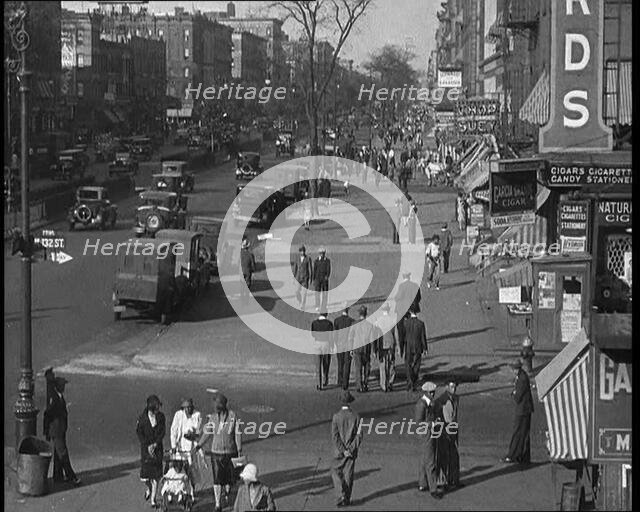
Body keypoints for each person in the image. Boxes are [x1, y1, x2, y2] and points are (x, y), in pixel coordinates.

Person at [195, 394, 243, 512]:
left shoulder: (233, 416)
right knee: (217, 479)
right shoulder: (212, 418)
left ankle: (227, 491)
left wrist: (239, 448)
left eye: (218, 405)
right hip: (216, 452)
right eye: (215, 405)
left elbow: (237, 433)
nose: (216, 407)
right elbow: (207, 432)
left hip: (231, 452)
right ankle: (217, 504)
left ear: (223, 405)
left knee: (229, 479)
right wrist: (199, 444)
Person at [44, 376, 81, 486]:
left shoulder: (58, 396)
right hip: (57, 430)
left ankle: (58, 476)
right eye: (62, 385)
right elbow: (48, 415)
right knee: (63, 453)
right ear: (58, 386)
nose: (64, 387)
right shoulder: (55, 399)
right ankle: (71, 477)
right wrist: (47, 431)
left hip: (59, 429)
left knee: (58, 453)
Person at [331, 391, 363, 507]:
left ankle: (340, 495)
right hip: (351, 451)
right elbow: (359, 435)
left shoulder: (336, 417)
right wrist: (351, 448)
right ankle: (347, 498)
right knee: (349, 474)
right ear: (350, 402)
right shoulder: (356, 416)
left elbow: (335, 436)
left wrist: (343, 449)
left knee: (336, 471)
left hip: (339, 452)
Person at [170, 398, 206, 493]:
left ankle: (192, 490)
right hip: (180, 447)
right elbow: (173, 430)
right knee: (179, 469)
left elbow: (198, 431)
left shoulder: (197, 415)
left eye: (189, 408)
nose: (187, 410)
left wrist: (193, 434)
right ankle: (180, 489)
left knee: (191, 469)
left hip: (191, 447)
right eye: (185, 408)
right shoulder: (178, 415)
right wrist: (173, 445)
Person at [136, 394, 166, 507]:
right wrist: (148, 445)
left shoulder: (161, 417)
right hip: (146, 451)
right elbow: (139, 433)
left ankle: (153, 499)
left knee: (156, 476)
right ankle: (149, 489)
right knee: (145, 477)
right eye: (157, 408)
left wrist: (155, 444)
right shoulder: (142, 419)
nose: (158, 410)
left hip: (157, 450)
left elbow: (162, 432)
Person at [415, 382, 443, 499]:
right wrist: (432, 424)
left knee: (424, 459)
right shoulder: (421, 405)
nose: (433, 394)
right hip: (426, 434)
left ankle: (422, 483)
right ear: (426, 392)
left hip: (428, 433)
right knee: (431, 461)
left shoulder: (429, 402)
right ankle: (433, 489)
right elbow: (419, 423)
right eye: (431, 392)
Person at [503, 359, 534, 464]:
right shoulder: (522, 376)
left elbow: (518, 397)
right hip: (525, 408)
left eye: (514, 369)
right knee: (523, 433)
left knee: (518, 432)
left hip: (523, 409)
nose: (513, 371)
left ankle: (513, 454)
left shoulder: (522, 379)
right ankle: (522, 455)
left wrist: (515, 392)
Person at [436, 380, 462, 490]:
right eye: (451, 386)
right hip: (445, 431)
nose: (454, 388)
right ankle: (442, 481)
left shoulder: (455, 398)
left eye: (455, 386)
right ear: (447, 387)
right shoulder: (442, 400)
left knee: (454, 456)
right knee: (444, 458)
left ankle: (453, 480)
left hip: (452, 431)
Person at [348, 305, 378, 393]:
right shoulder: (370, 325)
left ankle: (359, 385)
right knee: (367, 367)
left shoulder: (354, 324)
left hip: (357, 349)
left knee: (358, 368)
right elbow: (372, 339)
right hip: (366, 349)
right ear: (366, 314)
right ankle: (365, 383)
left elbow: (351, 337)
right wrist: (373, 350)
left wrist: (350, 349)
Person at [394, 272, 422, 355]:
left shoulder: (401, 286)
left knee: (400, 327)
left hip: (402, 309)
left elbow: (397, 297)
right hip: (412, 308)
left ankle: (401, 346)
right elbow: (419, 297)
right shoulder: (415, 285)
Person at [403, 308, 428, 392]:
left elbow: (403, 336)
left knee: (408, 365)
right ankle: (414, 381)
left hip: (408, 347)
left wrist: (402, 347)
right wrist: (425, 348)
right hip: (418, 346)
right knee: (416, 365)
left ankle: (410, 382)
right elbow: (423, 337)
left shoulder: (406, 323)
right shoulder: (421, 323)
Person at [375, 303, 398, 392]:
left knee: (382, 365)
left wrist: (375, 347)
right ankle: (390, 383)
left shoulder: (378, 321)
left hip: (382, 345)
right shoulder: (392, 320)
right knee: (391, 364)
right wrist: (398, 345)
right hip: (391, 344)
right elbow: (396, 334)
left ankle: (383, 384)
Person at [334, 304, 355, 389]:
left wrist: (335, 344)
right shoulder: (351, 321)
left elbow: (335, 334)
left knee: (340, 363)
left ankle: (340, 380)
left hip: (339, 344)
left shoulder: (337, 321)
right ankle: (345, 383)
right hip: (348, 345)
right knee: (347, 364)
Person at [311, 311, 334, 390]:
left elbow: (313, 334)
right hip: (326, 343)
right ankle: (325, 379)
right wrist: (332, 345)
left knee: (318, 365)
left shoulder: (314, 323)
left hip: (317, 343)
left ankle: (319, 384)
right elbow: (331, 336)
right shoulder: (329, 323)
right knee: (326, 363)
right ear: (326, 314)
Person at [293, 245, 313, 309]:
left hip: (305, 278)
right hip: (298, 278)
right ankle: (300, 301)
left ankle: (303, 305)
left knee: (304, 293)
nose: (303, 252)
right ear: (299, 252)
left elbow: (310, 269)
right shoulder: (297, 258)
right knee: (296, 291)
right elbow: (295, 268)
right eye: (301, 251)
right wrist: (293, 278)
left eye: (304, 251)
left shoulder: (308, 259)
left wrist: (310, 278)